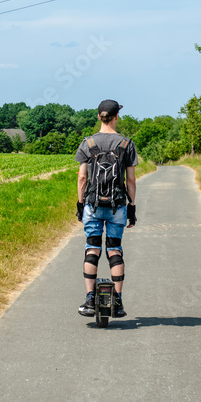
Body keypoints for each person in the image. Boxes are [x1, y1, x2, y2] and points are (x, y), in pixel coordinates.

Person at [74, 99, 138, 318]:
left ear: (99, 117)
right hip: (117, 205)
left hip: (92, 203)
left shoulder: (88, 143)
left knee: (92, 248)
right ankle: (118, 301)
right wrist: (132, 206)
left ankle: (90, 299)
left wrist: (80, 203)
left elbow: (83, 177)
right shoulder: (126, 144)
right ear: (116, 117)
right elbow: (130, 181)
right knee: (114, 249)